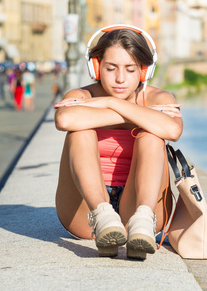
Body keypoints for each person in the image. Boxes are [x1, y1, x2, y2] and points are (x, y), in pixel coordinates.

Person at [53, 25, 183, 260]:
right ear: (96, 66)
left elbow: (172, 130)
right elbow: (64, 118)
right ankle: (104, 217)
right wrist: (139, 113)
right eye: (111, 68)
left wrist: (111, 104)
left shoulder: (158, 97)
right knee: (78, 132)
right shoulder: (82, 95)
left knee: (151, 135)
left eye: (130, 70)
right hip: (87, 210)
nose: (120, 79)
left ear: (144, 71)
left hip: (142, 206)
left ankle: (142, 221)